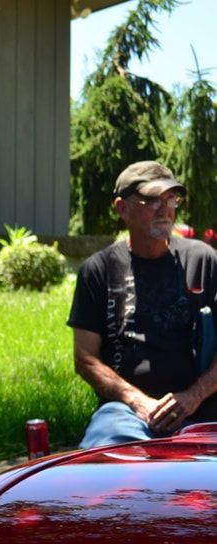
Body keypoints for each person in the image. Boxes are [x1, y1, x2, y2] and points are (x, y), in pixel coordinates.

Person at [69, 160, 217, 447]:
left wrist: (194, 396)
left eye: (171, 199)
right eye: (152, 200)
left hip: (203, 408)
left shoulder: (204, 261)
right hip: (125, 414)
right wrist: (137, 401)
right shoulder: (99, 270)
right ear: (122, 208)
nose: (165, 209)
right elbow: (85, 359)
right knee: (104, 462)